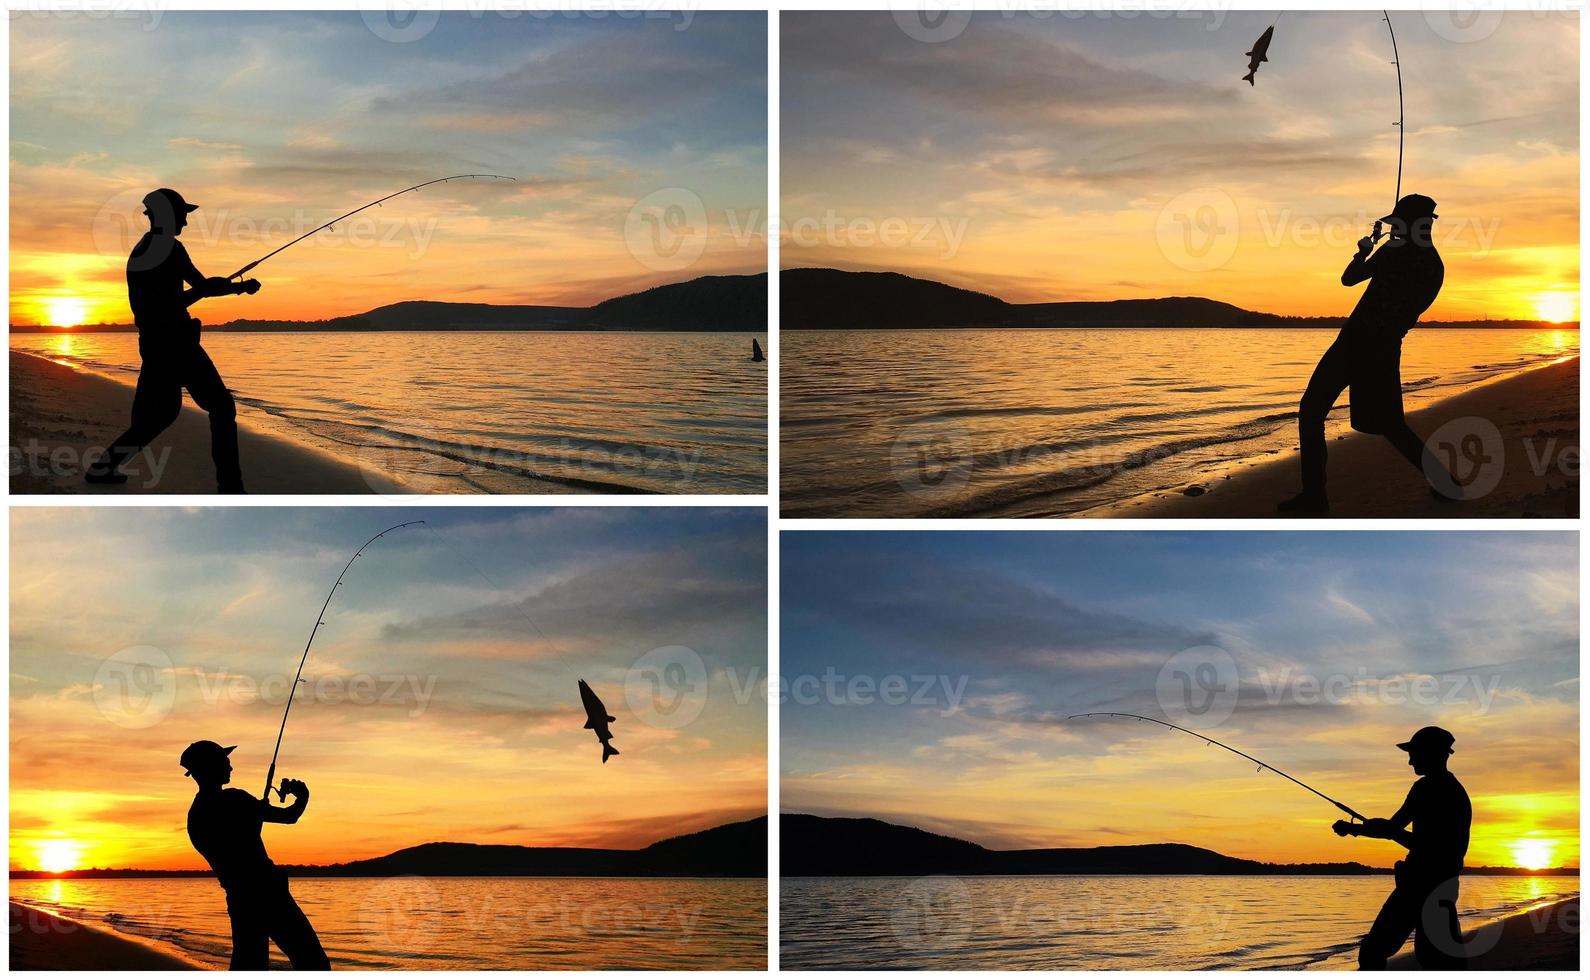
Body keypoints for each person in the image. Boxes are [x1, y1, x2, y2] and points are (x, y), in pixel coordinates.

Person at [1279, 194, 1461, 514]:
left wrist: (1364, 251)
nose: (1395, 231)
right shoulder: (1434, 265)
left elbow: (1349, 279)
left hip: (1355, 343)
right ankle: (1446, 484)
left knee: (1312, 411)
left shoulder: (1395, 253)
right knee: (1391, 425)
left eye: (1399, 225)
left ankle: (1314, 497)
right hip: (1386, 348)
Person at [85, 188, 260, 492]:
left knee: (157, 418)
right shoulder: (169, 248)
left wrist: (225, 288)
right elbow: (188, 294)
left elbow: (171, 300)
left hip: (154, 344)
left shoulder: (142, 250)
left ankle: (103, 468)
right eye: (182, 215)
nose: (186, 222)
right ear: (166, 215)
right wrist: (231, 289)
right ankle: (231, 488)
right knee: (221, 407)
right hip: (176, 345)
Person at [181, 740, 330, 970]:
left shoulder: (195, 816)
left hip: (240, 900)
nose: (230, 768)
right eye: (225, 762)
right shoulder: (235, 799)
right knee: (313, 961)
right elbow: (289, 816)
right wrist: (302, 796)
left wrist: (254, 813)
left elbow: (232, 842)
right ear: (210, 767)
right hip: (269, 896)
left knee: (249, 967)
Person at [1332, 726, 1471, 970]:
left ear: (1433, 754)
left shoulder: (1428, 789)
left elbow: (1400, 832)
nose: (1410, 761)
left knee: (1374, 952)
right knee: (1439, 959)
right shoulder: (1453, 790)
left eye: (1414, 753)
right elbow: (1406, 835)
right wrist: (1376, 829)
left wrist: (1354, 829)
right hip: (1441, 886)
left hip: (1420, 888)